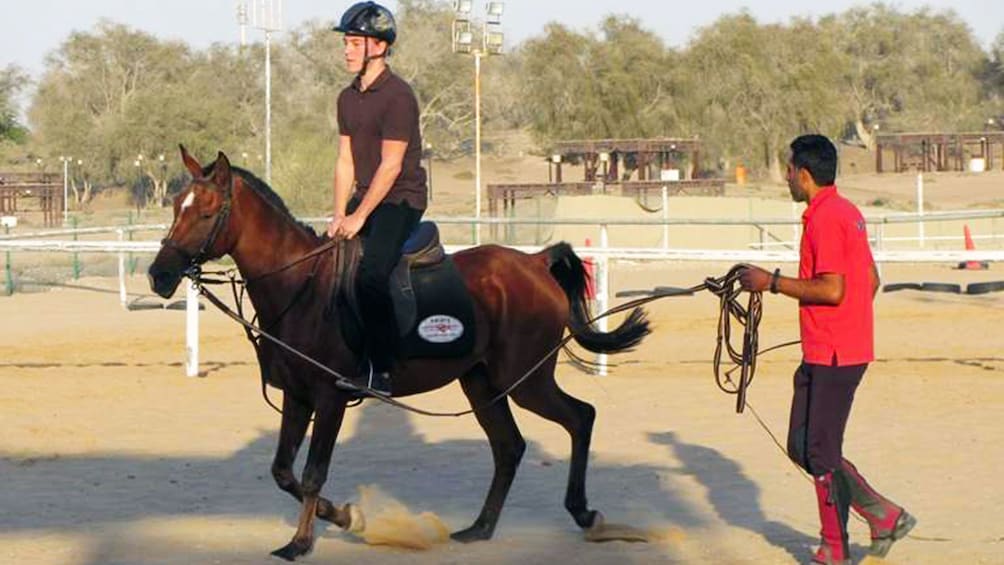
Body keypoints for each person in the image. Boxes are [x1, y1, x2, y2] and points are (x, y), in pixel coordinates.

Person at [739, 135, 916, 564]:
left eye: (788, 169)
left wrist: (772, 283)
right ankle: (883, 515)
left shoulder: (826, 218)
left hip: (836, 353)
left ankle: (834, 548)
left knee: (820, 451)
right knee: (803, 446)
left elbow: (833, 288)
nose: (785, 176)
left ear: (803, 174)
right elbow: (869, 280)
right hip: (828, 348)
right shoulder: (843, 212)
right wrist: (845, 324)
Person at [328, 1, 428, 395]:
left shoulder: (398, 96)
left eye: (354, 42)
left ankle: (383, 371)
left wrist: (358, 219)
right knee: (327, 265)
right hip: (365, 197)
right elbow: (344, 161)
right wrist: (339, 215)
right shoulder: (346, 98)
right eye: (347, 43)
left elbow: (390, 167)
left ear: (379, 46)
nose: (347, 50)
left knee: (371, 275)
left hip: (401, 199)